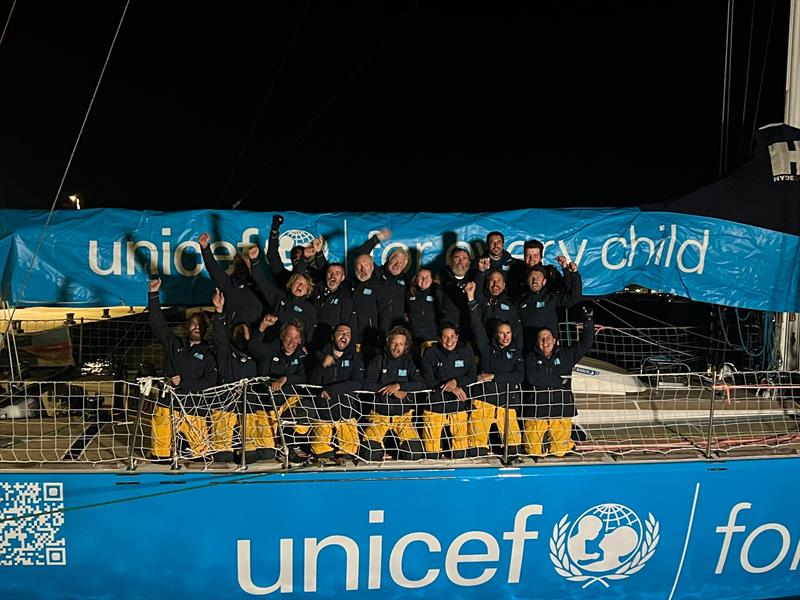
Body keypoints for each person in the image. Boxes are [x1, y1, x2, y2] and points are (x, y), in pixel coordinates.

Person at [147, 278, 217, 461]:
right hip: (168, 403)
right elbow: (158, 324)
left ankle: (185, 449)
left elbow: (210, 382)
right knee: (160, 455)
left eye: (201, 325)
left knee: (200, 456)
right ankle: (162, 458)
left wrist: (185, 383)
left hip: (194, 407)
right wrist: (153, 295)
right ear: (187, 327)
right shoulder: (175, 345)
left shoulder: (210, 355)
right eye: (193, 323)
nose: (197, 327)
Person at [211, 288, 275, 463]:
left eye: (245, 331)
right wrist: (219, 312)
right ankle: (227, 449)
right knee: (222, 456)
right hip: (226, 402)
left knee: (266, 452)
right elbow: (218, 337)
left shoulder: (256, 354)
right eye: (238, 331)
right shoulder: (226, 352)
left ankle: (247, 449)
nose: (242, 334)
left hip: (250, 405)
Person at [522, 305, 595, 457]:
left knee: (560, 452)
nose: (545, 341)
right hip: (537, 410)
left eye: (548, 337)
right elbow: (532, 378)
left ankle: (569, 442)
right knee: (532, 451)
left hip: (560, 409)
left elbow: (585, 344)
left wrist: (588, 321)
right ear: (537, 342)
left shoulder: (566, 355)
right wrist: (559, 381)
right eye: (541, 338)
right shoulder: (530, 357)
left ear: (554, 340)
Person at [465, 281, 524, 460]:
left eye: (508, 333)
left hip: (506, 401)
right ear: (495, 335)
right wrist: (470, 298)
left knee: (513, 448)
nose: (505, 337)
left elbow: (519, 376)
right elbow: (476, 325)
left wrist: (494, 376)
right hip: (485, 400)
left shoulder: (516, 352)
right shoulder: (485, 347)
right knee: (476, 448)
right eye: (501, 333)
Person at [248, 317, 311, 463]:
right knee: (267, 453)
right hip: (266, 405)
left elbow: (303, 376)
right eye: (289, 336)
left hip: (286, 402)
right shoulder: (270, 350)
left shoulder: (301, 355)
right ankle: (273, 446)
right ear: (283, 336)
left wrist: (285, 379)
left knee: (306, 408)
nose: (292, 341)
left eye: (296, 337)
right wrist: (262, 326)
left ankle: (289, 444)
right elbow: (253, 346)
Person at [361, 326, 426, 462]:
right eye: (394, 343)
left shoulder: (409, 363)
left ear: (406, 346)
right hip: (380, 416)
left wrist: (399, 386)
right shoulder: (378, 360)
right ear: (388, 342)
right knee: (370, 454)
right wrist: (389, 390)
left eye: (401, 344)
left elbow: (421, 384)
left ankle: (398, 451)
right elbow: (367, 383)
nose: (397, 347)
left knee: (413, 454)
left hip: (402, 417)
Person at [307, 323, 365, 461]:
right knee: (320, 451)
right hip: (324, 412)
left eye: (348, 333)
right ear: (333, 336)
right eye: (341, 332)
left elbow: (358, 382)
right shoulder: (318, 356)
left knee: (349, 452)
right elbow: (311, 382)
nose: (344, 335)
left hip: (346, 413)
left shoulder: (355, 358)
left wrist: (332, 390)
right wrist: (321, 365)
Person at [420, 322, 477, 459]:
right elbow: (427, 379)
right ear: (440, 339)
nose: (449, 340)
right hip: (436, 405)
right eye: (445, 337)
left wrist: (456, 382)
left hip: (457, 405)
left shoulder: (465, 351)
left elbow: (472, 374)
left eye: (452, 336)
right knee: (431, 455)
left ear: (457, 337)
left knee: (460, 454)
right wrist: (450, 388)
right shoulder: (430, 353)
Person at [250, 244, 317, 343]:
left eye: (304, 285)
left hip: (293, 352)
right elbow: (261, 281)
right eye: (298, 282)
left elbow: (309, 336)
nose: (300, 286)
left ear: (308, 291)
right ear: (291, 284)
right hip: (273, 346)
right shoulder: (279, 296)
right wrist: (254, 260)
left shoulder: (309, 310)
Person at [198, 232, 264, 329]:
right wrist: (205, 248)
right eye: (239, 265)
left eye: (245, 264)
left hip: (257, 335)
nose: (242, 268)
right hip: (233, 334)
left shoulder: (262, 284)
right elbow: (213, 268)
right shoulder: (228, 284)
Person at [518, 256, 582, 352]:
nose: (535, 281)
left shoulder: (551, 298)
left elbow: (574, 297)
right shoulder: (521, 301)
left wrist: (573, 274)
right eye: (532, 278)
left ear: (544, 282)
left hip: (547, 349)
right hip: (526, 350)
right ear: (527, 281)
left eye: (538, 278)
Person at [348, 239, 387, 359]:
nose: (362, 269)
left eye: (366, 265)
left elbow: (384, 314)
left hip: (370, 342)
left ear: (372, 267)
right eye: (359, 265)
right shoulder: (347, 285)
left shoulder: (379, 287)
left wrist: (381, 339)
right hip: (349, 341)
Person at [266, 214, 328, 288]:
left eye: (301, 256)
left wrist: (319, 252)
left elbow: (325, 271)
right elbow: (272, 256)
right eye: (294, 256)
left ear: (307, 257)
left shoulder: (315, 276)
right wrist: (274, 231)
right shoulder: (284, 276)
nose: (297, 258)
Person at [472, 261, 524, 344]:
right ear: (487, 284)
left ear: (503, 286)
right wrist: (481, 272)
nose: (495, 284)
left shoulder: (511, 305)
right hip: (484, 349)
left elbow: (517, 332)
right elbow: (476, 290)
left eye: (499, 280)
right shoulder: (480, 301)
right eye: (492, 280)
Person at [438, 247, 478, 342]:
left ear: (469, 261)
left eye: (464, 258)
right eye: (457, 257)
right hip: (448, 334)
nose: (460, 261)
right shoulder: (441, 279)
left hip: (470, 333)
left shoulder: (476, 279)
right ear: (451, 260)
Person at [311, 263, 354, 351]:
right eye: (330, 272)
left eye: (337, 273)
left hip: (329, 346)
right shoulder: (315, 291)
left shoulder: (346, 297)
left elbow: (345, 324)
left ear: (342, 278)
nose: (332, 276)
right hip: (312, 341)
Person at [405, 267, 444, 358]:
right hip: (413, 339)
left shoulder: (437, 293)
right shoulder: (408, 293)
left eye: (427, 276)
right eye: (420, 277)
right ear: (416, 279)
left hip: (431, 339)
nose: (424, 279)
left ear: (431, 279)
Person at [483, 230, 527, 298]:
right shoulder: (478, 265)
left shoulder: (516, 265)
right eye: (492, 242)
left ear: (503, 244)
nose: (496, 245)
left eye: (499, 242)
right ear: (488, 245)